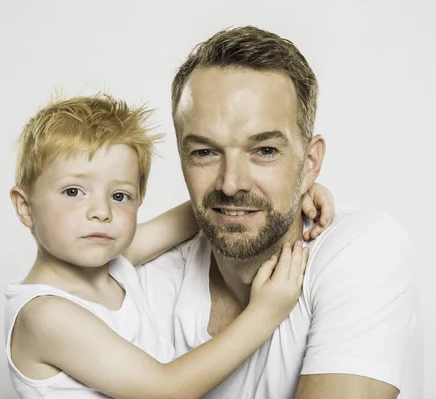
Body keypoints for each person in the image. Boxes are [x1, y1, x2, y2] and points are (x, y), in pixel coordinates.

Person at [137, 26, 421, 398]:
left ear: (309, 163)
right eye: (205, 152)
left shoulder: (363, 251)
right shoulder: (148, 284)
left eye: (265, 151)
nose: (230, 183)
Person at [4, 95, 335, 398]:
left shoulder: (113, 264)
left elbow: (203, 211)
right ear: (24, 206)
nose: (102, 212)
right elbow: (167, 390)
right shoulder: (44, 314)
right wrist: (265, 313)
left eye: (119, 196)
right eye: (73, 192)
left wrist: (288, 193)